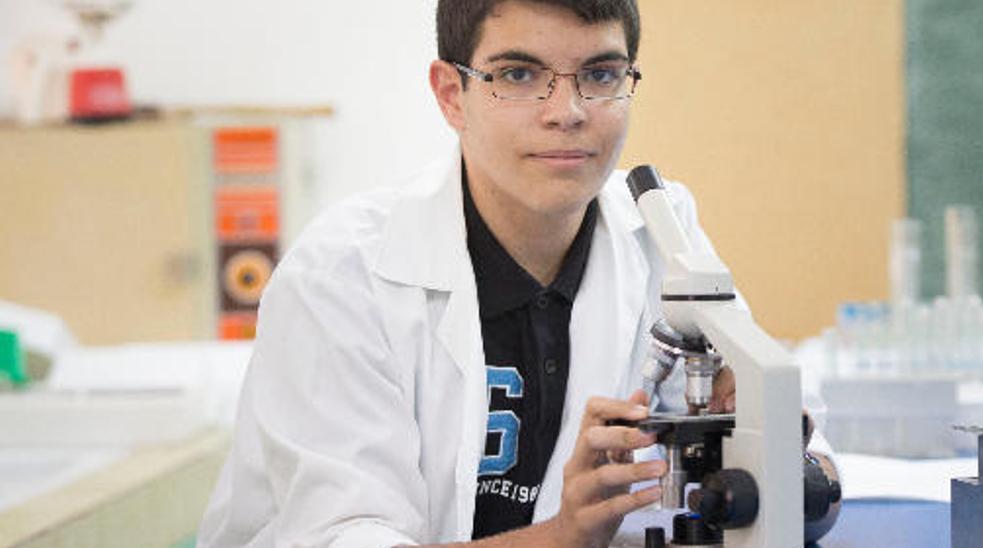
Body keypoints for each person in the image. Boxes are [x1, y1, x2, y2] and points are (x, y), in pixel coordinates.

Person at [198, 1, 826, 547]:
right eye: (519, 75)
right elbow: (348, 537)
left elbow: (796, 454)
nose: (568, 111)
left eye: (600, 74)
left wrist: (766, 425)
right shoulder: (342, 277)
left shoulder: (661, 234)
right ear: (451, 95)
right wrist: (564, 536)